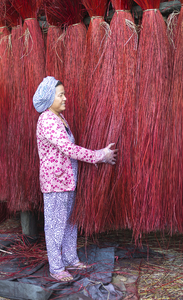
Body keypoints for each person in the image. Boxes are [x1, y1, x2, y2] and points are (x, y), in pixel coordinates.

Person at [33, 76, 117, 281]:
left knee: (69, 222)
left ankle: (70, 258)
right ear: (49, 97)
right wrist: (100, 156)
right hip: (55, 184)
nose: (65, 98)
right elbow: (69, 150)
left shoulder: (60, 118)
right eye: (60, 95)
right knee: (55, 225)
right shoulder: (47, 120)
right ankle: (56, 268)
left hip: (67, 181)